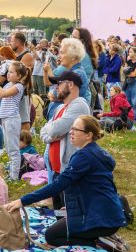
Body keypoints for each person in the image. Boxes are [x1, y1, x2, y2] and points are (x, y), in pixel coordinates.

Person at [5, 116, 127, 248]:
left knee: (51, 236)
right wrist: (73, 206)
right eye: (71, 128)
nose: (71, 132)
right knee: (59, 223)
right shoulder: (95, 152)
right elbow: (93, 189)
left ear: (88, 135)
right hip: (109, 216)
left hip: (101, 219)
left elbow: (58, 185)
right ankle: (100, 235)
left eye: (76, 129)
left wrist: (22, 201)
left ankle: (99, 242)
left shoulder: (84, 156)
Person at [40, 71, 91, 209]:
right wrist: (51, 136)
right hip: (57, 171)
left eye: (59, 83)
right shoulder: (61, 108)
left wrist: (52, 131)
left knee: (69, 213)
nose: (56, 87)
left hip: (69, 170)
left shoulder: (79, 105)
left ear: (70, 85)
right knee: (58, 211)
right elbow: (44, 132)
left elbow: (54, 129)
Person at [0, 61, 31, 180]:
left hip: (12, 119)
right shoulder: (8, 85)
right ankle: (12, 172)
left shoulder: (18, 86)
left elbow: (2, 94)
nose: (8, 74)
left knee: (13, 149)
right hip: (6, 119)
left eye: (11, 72)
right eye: (8, 71)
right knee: (8, 147)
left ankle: (14, 176)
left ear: (19, 76)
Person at [11, 31, 34, 131]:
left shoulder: (27, 55)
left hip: (24, 91)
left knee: (24, 120)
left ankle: (26, 142)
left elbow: (19, 72)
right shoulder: (15, 55)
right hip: (15, 89)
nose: (10, 43)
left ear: (18, 42)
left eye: (11, 41)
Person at [123, 46, 136, 120]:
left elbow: (135, 74)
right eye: (129, 51)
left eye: (131, 51)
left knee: (135, 101)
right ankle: (128, 117)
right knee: (127, 100)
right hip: (128, 82)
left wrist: (129, 73)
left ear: (135, 53)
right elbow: (124, 71)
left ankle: (134, 119)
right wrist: (130, 73)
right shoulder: (128, 61)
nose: (129, 53)